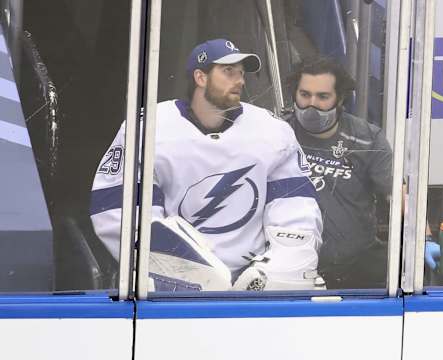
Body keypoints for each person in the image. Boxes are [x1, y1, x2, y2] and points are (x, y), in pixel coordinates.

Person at [90, 39, 324, 291]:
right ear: (200, 77)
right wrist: (194, 274)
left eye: (242, 73)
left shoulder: (272, 130)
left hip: (254, 284)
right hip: (173, 288)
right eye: (228, 71)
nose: (240, 81)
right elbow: (117, 212)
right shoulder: (149, 127)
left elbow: (296, 212)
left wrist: (274, 274)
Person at [284, 57, 392, 289]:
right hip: (289, 269)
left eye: (322, 97)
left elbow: (399, 196)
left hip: (357, 270)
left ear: (340, 98)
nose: (311, 104)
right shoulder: (278, 134)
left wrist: (424, 241)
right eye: (304, 95)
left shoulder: (367, 138)